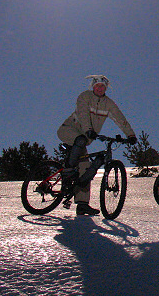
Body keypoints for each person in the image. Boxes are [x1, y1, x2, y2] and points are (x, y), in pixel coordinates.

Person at [57, 75, 137, 215]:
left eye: (103, 86)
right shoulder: (84, 96)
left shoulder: (108, 104)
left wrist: (130, 135)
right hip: (69, 130)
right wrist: (89, 130)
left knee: (85, 168)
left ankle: (82, 205)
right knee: (81, 140)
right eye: (97, 86)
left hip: (85, 138)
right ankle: (68, 170)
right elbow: (83, 114)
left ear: (106, 88)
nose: (100, 88)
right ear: (93, 87)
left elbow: (120, 118)